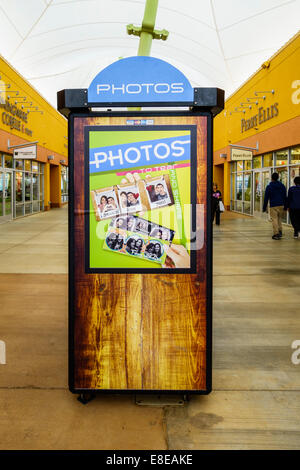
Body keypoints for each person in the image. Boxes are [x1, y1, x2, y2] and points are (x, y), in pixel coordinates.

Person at [263, 172, 287, 240]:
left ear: (271, 178)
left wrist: (264, 207)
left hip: (273, 205)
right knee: (279, 218)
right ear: (278, 178)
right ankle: (280, 231)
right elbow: (285, 196)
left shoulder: (269, 186)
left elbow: (266, 198)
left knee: (274, 219)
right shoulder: (282, 186)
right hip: (281, 205)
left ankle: (276, 234)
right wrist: (285, 206)